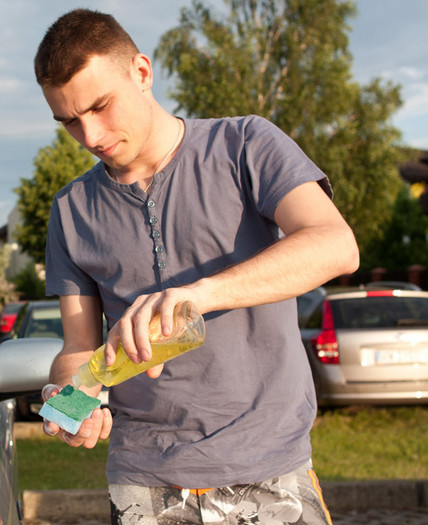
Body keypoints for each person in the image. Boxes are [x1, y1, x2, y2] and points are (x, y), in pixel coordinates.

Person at [34, 8, 359, 525]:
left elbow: (335, 245)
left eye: (99, 106)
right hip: (143, 483)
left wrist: (200, 295)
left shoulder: (245, 145)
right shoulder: (70, 211)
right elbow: (78, 350)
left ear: (141, 72)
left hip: (270, 466)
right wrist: (70, 403)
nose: (90, 134)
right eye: (69, 120)